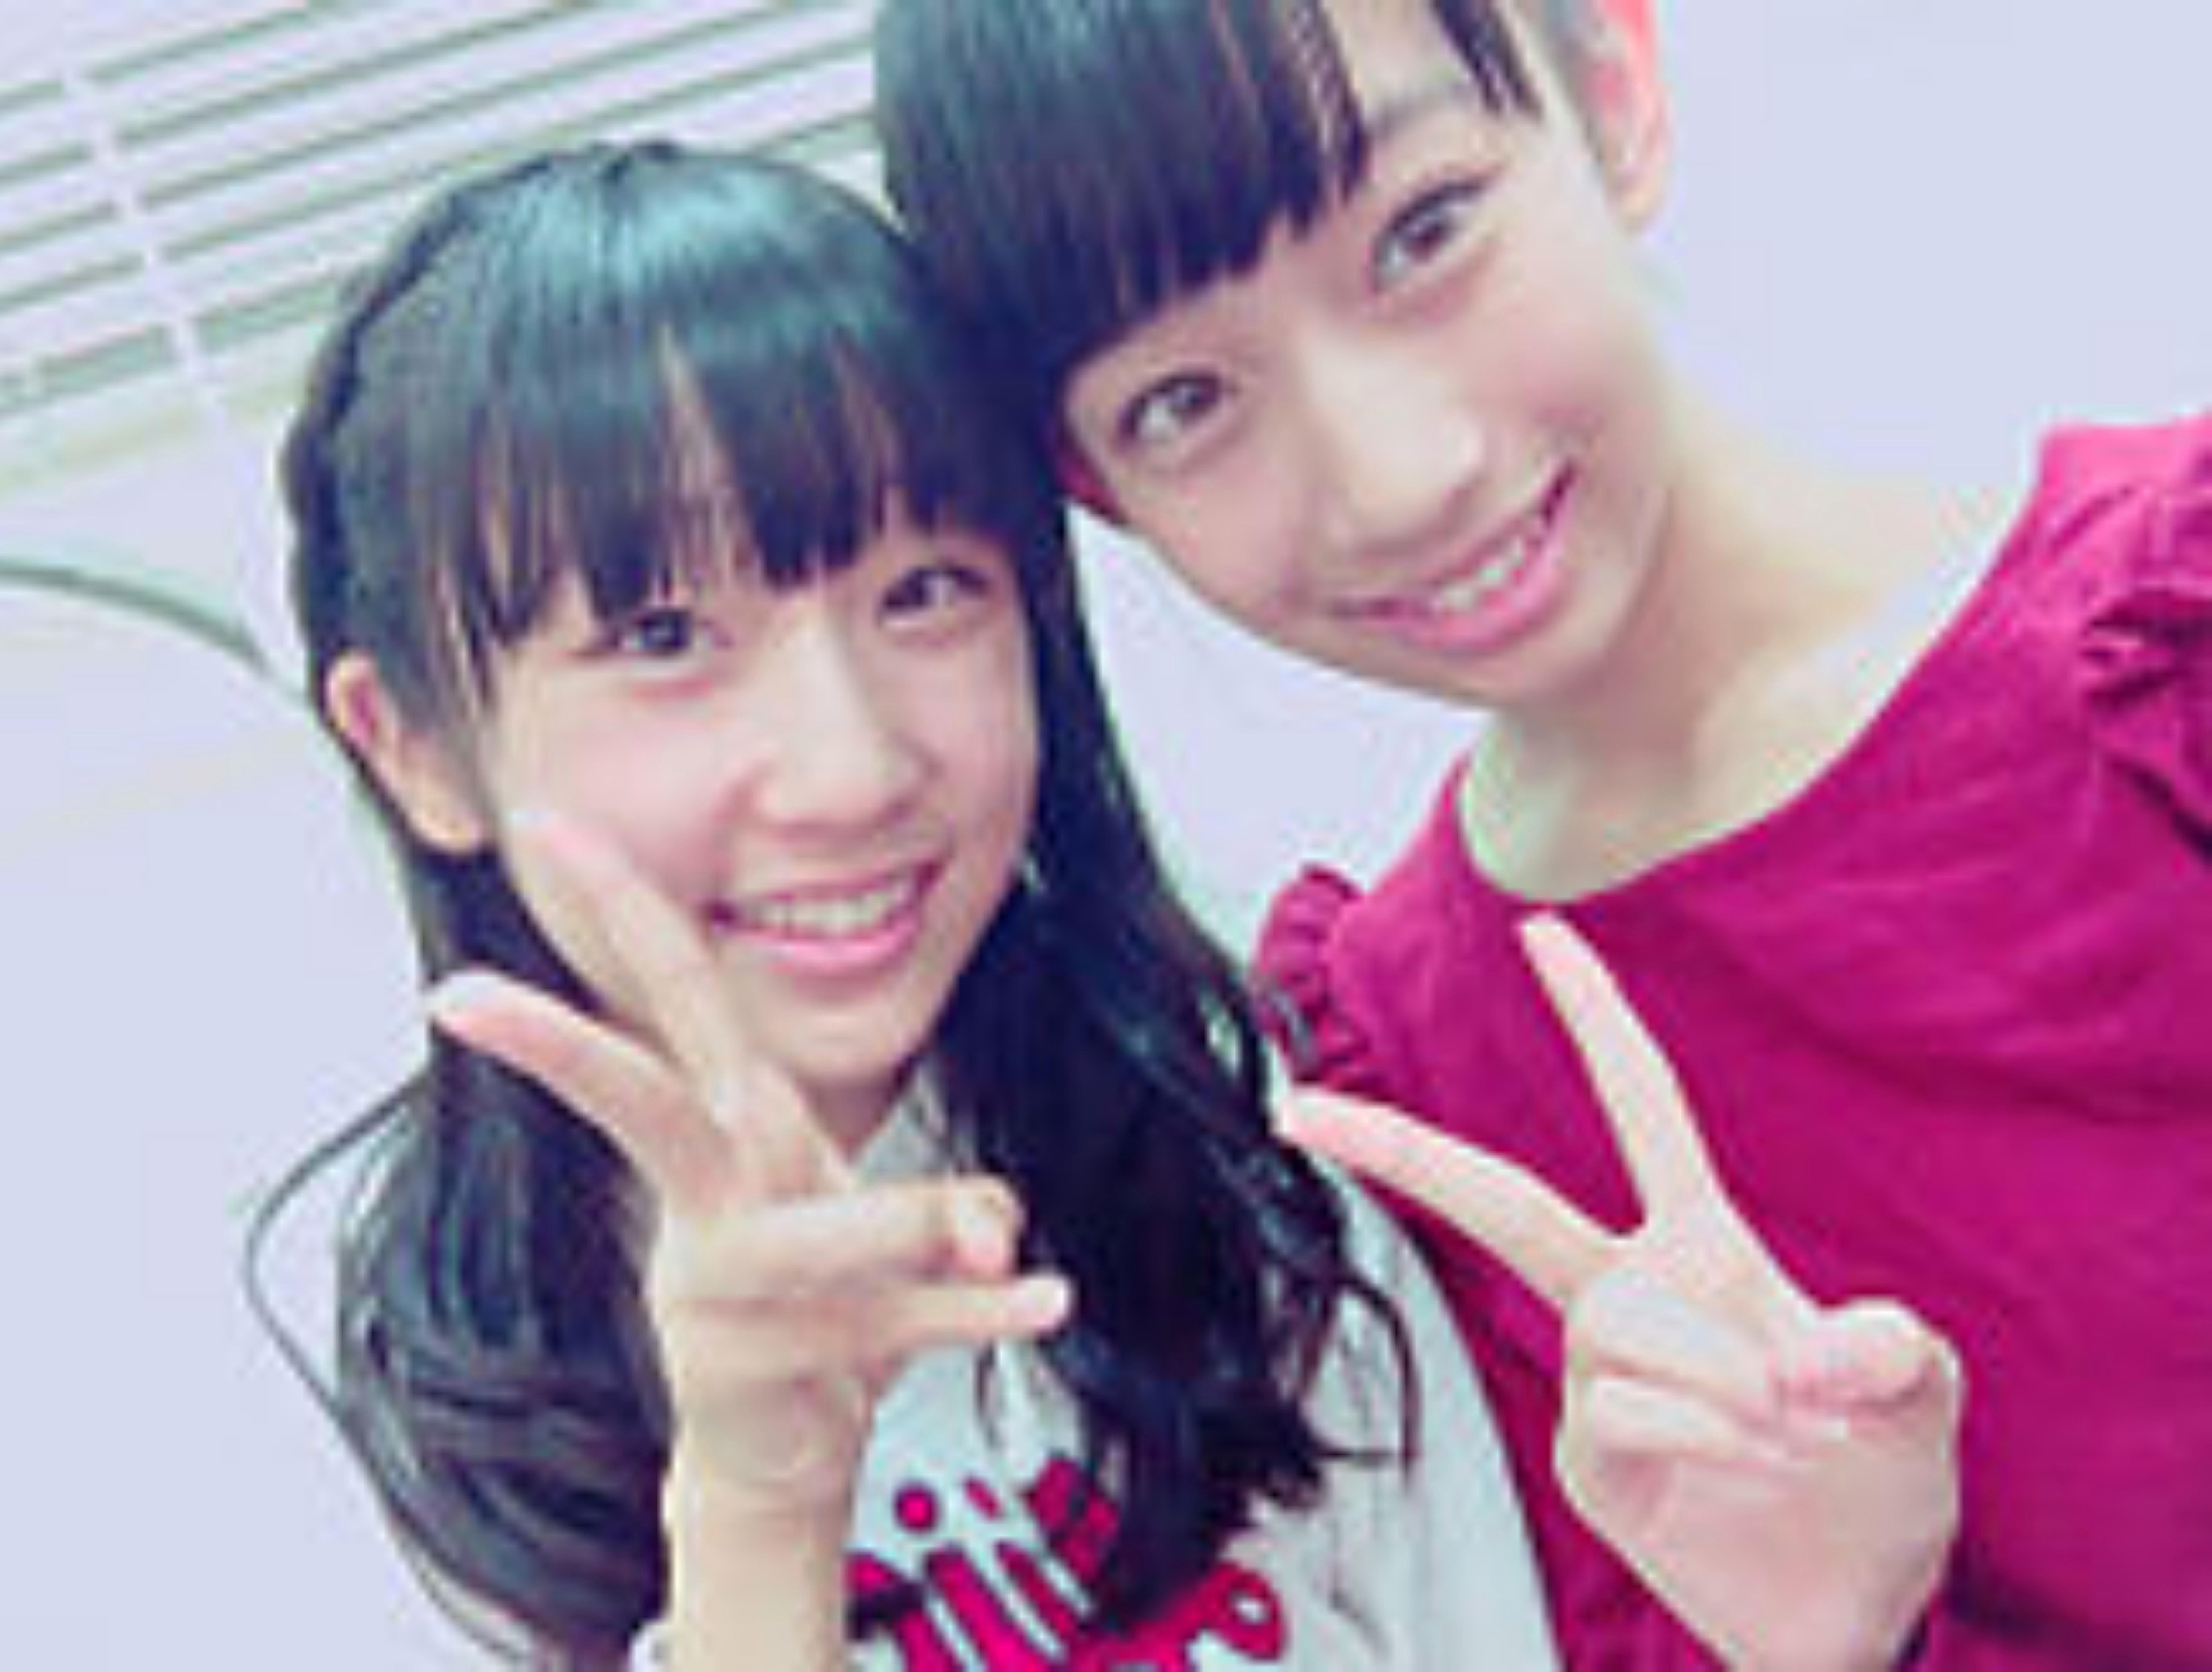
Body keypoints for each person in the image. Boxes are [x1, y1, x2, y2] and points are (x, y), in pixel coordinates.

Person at [873, 0, 2212, 1666]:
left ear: (1612, 90)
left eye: (1424, 232)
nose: (1399, 477)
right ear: (1095, 489)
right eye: (1184, 401)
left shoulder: (2167, 652)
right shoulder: (1402, 1089)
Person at [243, 138, 1577, 1670]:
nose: (852, 769)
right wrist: (757, 1511)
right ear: (413, 746)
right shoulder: (349, 1422)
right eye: (664, 634)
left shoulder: (1246, 1185)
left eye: (926, 591)